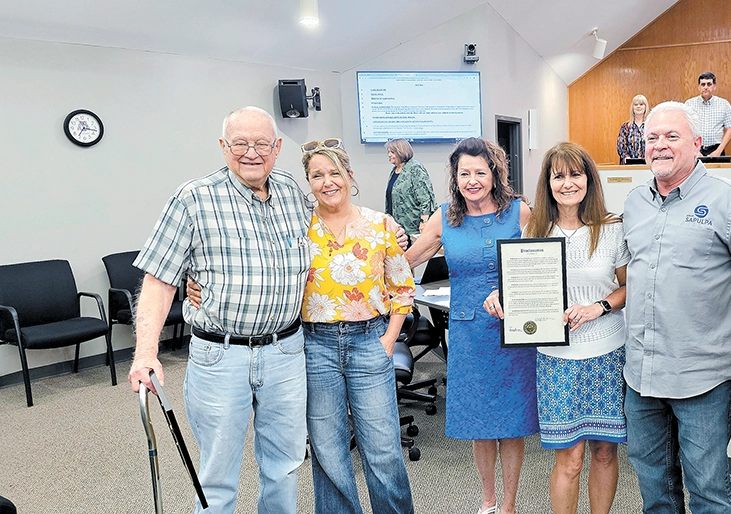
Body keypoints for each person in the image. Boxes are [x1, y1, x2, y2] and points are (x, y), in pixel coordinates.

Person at [128, 106, 313, 514]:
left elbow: (327, 247)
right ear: (223, 147)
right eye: (239, 143)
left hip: (286, 352)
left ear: (277, 147)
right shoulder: (193, 198)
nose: (251, 152)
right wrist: (145, 353)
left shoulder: (293, 194)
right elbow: (159, 280)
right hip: (220, 355)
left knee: (285, 467)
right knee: (216, 475)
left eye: (262, 143)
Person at [622, 101, 731, 513]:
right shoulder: (634, 204)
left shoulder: (730, 201)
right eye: (652, 138)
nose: (659, 146)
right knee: (654, 489)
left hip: (703, 377)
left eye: (671, 136)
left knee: (708, 491)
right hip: (642, 375)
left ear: (697, 143)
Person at [483, 142, 628, 514]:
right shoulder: (535, 229)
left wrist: (599, 306)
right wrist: (502, 296)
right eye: (558, 175)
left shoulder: (612, 228)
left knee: (605, 454)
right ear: (547, 183)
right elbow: (522, 284)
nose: (567, 183)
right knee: (570, 458)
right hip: (556, 358)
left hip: (606, 354)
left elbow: (630, 287)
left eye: (575, 174)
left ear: (588, 179)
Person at [403, 138, 537, 514]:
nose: (473, 180)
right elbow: (407, 262)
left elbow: (541, 263)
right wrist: (376, 249)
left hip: (512, 332)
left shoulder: (518, 213)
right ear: (455, 177)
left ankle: (509, 505)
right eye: (465, 173)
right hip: (467, 333)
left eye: (481, 172)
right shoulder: (444, 217)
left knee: (511, 420)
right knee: (480, 421)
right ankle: (488, 501)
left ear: (494, 175)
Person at [299, 141, 417, 513]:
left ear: (350, 176)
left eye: (334, 173)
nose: (327, 182)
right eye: (317, 175)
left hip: (370, 340)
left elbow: (401, 286)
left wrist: (389, 339)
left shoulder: (380, 224)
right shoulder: (298, 227)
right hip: (314, 345)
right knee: (328, 449)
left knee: (382, 449)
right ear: (309, 182)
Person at [385, 138, 438, 236]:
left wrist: (424, 222)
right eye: (388, 152)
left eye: (392, 152)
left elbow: (425, 198)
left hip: (414, 228)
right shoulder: (394, 171)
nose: (389, 155)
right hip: (398, 227)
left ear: (401, 151)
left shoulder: (415, 168)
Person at [685, 72, 731, 156]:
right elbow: (685, 129)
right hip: (695, 149)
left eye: (709, 84)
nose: (706, 87)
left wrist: (719, 150)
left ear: (714, 87)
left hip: (717, 149)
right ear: (699, 87)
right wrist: (694, 150)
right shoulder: (689, 104)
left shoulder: (723, 104)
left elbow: (730, 129)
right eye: (703, 84)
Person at [617, 94, 649, 164]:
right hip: (629, 166)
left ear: (645, 107)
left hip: (647, 165)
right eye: (636, 104)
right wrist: (627, 158)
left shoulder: (650, 126)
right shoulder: (626, 127)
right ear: (632, 107)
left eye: (641, 104)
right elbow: (621, 146)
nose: (638, 106)